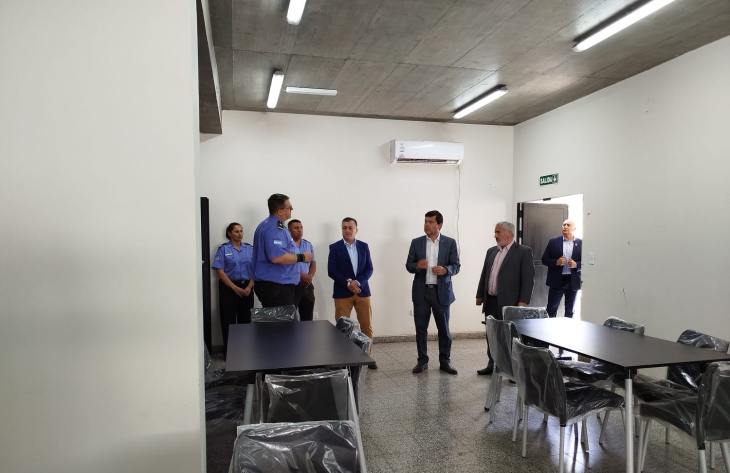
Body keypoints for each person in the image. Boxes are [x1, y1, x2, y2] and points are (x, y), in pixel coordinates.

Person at [475, 221, 535, 375]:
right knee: (491, 335)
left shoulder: (523, 252)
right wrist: (480, 295)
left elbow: (528, 279)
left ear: (509, 234)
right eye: (495, 232)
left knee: (509, 336)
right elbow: (485, 274)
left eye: (498, 232)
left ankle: (511, 368)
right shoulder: (491, 251)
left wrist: (523, 302)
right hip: (490, 301)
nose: (495, 235)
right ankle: (492, 364)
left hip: (510, 303)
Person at [406, 210, 461, 375]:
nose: (426, 225)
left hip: (441, 292)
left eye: (430, 222)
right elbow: (409, 265)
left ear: (439, 225)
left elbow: (456, 266)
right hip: (421, 292)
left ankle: (445, 361)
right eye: (425, 221)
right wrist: (418, 266)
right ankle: (422, 361)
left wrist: (445, 270)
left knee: (444, 330)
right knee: (420, 329)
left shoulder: (450, 243)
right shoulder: (416, 243)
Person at [327, 217, 377, 368]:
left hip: (362, 291)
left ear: (356, 229)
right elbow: (332, 271)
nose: (347, 230)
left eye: (350, 227)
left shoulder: (364, 246)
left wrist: (357, 282)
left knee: (366, 326)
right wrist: (348, 283)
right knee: (343, 328)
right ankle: (343, 360)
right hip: (342, 292)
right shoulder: (335, 247)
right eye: (344, 227)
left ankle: (368, 357)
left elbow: (369, 269)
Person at [252, 193, 312, 307]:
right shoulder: (274, 228)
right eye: (289, 207)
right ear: (280, 211)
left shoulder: (271, 226)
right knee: (282, 319)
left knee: (279, 318)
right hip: (276, 287)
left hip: (277, 286)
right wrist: (302, 257)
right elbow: (277, 257)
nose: (291, 210)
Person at [211, 222, 254, 356]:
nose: (240, 234)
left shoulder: (250, 249)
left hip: (247, 287)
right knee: (228, 321)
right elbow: (220, 271)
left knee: (246, 320)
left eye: (241, 231)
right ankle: (230, 354)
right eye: (236, 231)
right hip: (228, 288)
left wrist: (249, 286)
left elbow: (256, 269)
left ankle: (245, 353)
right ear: (229, 233)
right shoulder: (223, 249)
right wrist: (235, 288)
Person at [542, 219, 582, 318]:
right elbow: (544, 260)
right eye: (564, 225)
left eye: (568, 225)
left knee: (570, 311)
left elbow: (586, 262)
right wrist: (556, 262)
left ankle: (568, 328)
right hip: (557, 281)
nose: (565, 227)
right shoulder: (553, 242)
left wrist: (576, 264)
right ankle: (549, 327)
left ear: (574, 228)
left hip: (573, 281)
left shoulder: (581, 243)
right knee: (551, 309)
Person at [288, 219, 316, 321]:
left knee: (307, 318)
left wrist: (310, 276)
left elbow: (313, 263)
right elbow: (283, 265)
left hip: (307, 285)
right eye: (296, 228)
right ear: (289, 231)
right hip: (291, 285)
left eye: (301, 227)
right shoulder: (286, 245)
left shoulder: (308, 244)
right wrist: (300, 276)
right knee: (290, 318)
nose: (299, 230)